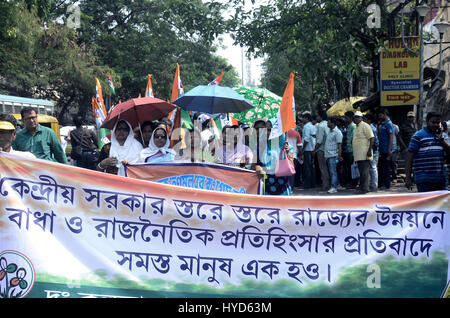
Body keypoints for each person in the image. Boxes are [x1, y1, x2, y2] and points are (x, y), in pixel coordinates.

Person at [405, 112, 450, 192]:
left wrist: (442, 140)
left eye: (438, 123)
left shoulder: (443, 136)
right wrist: (408, 177)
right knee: (427, 204)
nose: (436, 125)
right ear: (427, 121)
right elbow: (409, 157)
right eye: (433, 122)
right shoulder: (418, 136)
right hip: (424, 179)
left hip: (441, 179)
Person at [259, 119, 293, 195]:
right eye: (266, 130)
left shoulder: (287, 147)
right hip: (266, 186)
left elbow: (291, 168)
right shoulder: (260, 146)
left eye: (271, 130)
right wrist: (258, 168)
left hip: (282, 186)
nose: (268, 133)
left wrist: (287, 154)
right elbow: (255, 164)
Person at [352, 111, 374, 194]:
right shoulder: (356, 127)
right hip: (358, 155)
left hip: (365, 153)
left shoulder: (365, 125)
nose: (356, 118)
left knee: (365, 172)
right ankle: (362, 187)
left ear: (361, 118)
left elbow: (372, 138)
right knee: (361, 172)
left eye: (358, 117)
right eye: (355, 117)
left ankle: (365, 189)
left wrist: (369, 150)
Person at [324, 116, 343, 194]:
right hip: (329, 154)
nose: (327, 124)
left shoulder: (337, 132)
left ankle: (333, 187)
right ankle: (337, 184)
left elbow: (339, 145)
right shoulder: (330, 131)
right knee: (333, 171)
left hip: (333, 155)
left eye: (328, 122)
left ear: (332, 123)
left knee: (333, 172)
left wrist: (339, 155)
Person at [377, 108, 394, 189]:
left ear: (384, 114)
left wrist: (389, 149)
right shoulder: (383, 124)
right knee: (381, 167)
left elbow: (391, 137)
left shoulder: (389, 124)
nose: (379, 116)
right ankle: (382, 184)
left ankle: (386, 185)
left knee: (386, 168)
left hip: (386, 149)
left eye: (380, 114)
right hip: (382, 149)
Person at [313, 110, 330, 191]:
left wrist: (314, 150)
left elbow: (319, 141)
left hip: (321, 149)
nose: (316, 118)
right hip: (329, 149)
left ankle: (325, 185)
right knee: (329, 168)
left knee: (323, 168)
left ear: (321, 117)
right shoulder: (328, 124)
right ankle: (330, 184)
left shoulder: (320, 126)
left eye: (317, 116)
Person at [363, 113, 379, 192]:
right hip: (370, 149)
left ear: (369, 120)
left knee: (373, 168)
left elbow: (374, 140)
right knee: (370, 168)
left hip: (373, 150)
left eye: (365, 119)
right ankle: (371, 184)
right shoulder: (368, 127)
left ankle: (374, 185)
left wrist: (370, 149)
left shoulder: (371, 128)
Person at [301, 113, 316, 189]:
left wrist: (303, 149)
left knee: (307, 167)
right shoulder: (313, 126)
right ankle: (312, 183)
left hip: (307, 149)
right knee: (311, 167)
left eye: (303, 118)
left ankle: (307, 184)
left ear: (306, 118)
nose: (302, 120)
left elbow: (306, 139)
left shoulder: (306, 127)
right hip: (312, 148)